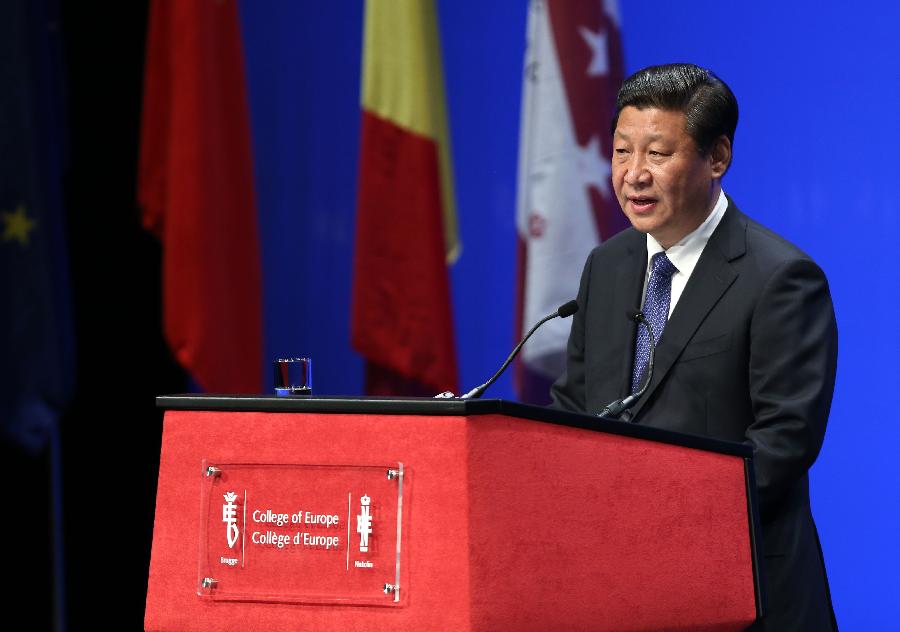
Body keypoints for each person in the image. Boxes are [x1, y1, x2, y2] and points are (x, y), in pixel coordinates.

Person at [551, 63, 838, 631]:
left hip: (743, 593)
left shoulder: (781, 277)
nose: (633, 175)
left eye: (657, 154)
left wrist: (659, 520)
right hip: (619, 590)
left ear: (717, 158)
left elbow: (783, 443)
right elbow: (573, 408)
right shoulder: (607, 266)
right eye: (621, 152)